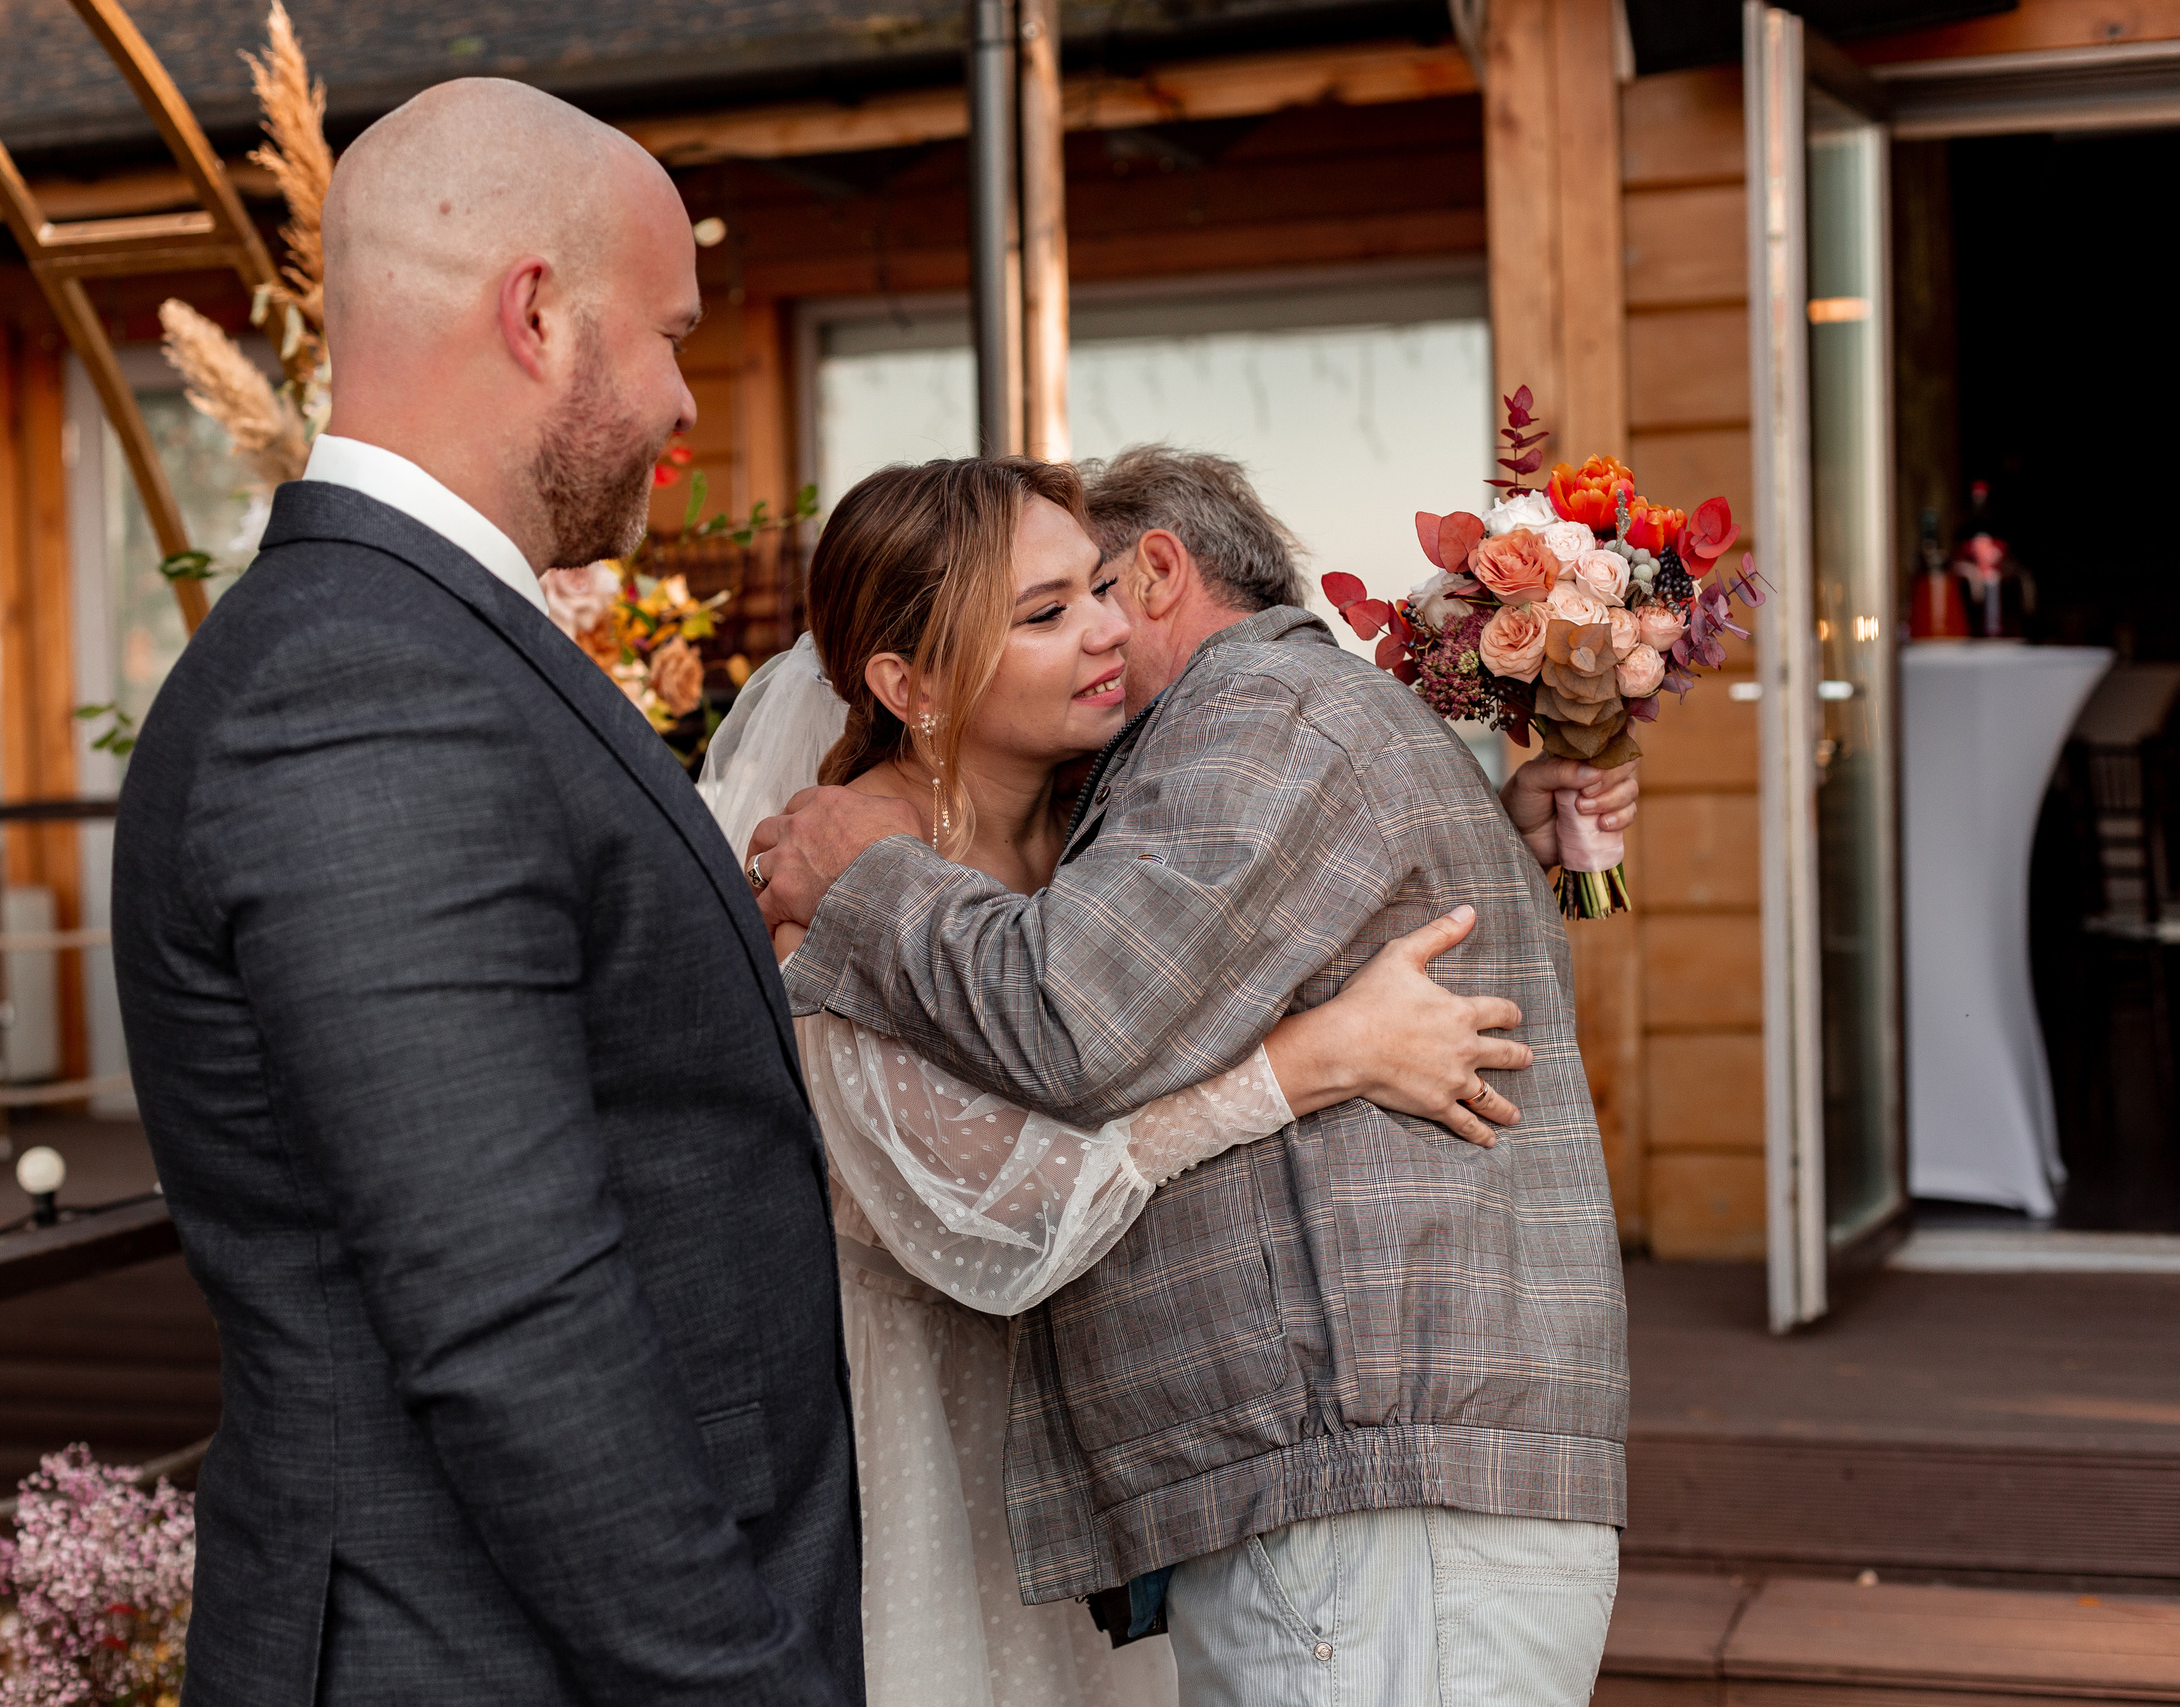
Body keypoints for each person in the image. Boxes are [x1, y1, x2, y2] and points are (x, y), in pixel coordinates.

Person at [110, 81, 864, 1705]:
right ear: (535, 312)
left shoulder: (417, 641)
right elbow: (512, 1310)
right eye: (667, 334)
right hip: (475, 1651)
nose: (684, 399)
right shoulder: (361, 686)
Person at [746, 444, 1633, 1707]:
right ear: (911, 682)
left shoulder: (1253, 715)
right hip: (987, 1461)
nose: (1099, 632)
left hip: (1361, 1491)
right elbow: (1034, 1149)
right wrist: (1312, 1054)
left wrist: (868, 879)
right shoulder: (1135, 798)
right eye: (1051, 611)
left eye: (1097, 592)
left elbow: (1076, 1015)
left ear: (1158, 571)